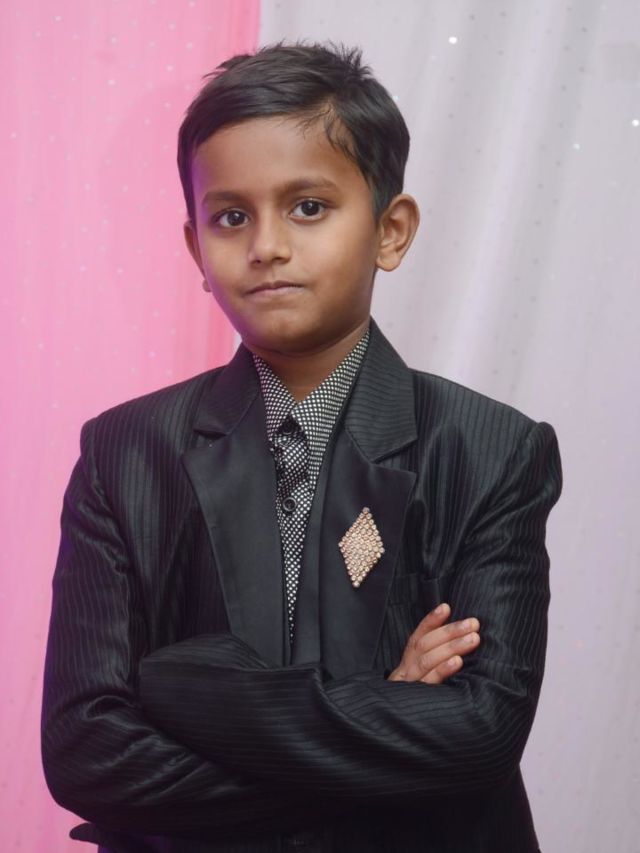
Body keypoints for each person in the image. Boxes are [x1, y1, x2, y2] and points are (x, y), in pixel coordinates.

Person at [41, 42, 562, 853]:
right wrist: (384, 708)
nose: (267, 246)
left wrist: (180, 688)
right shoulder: (124, 453)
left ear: (391, 230)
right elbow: (86, 752)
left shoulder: (489, 451)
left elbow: (480, 733)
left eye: (308, 207)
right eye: (232, 216)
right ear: (196, 249)